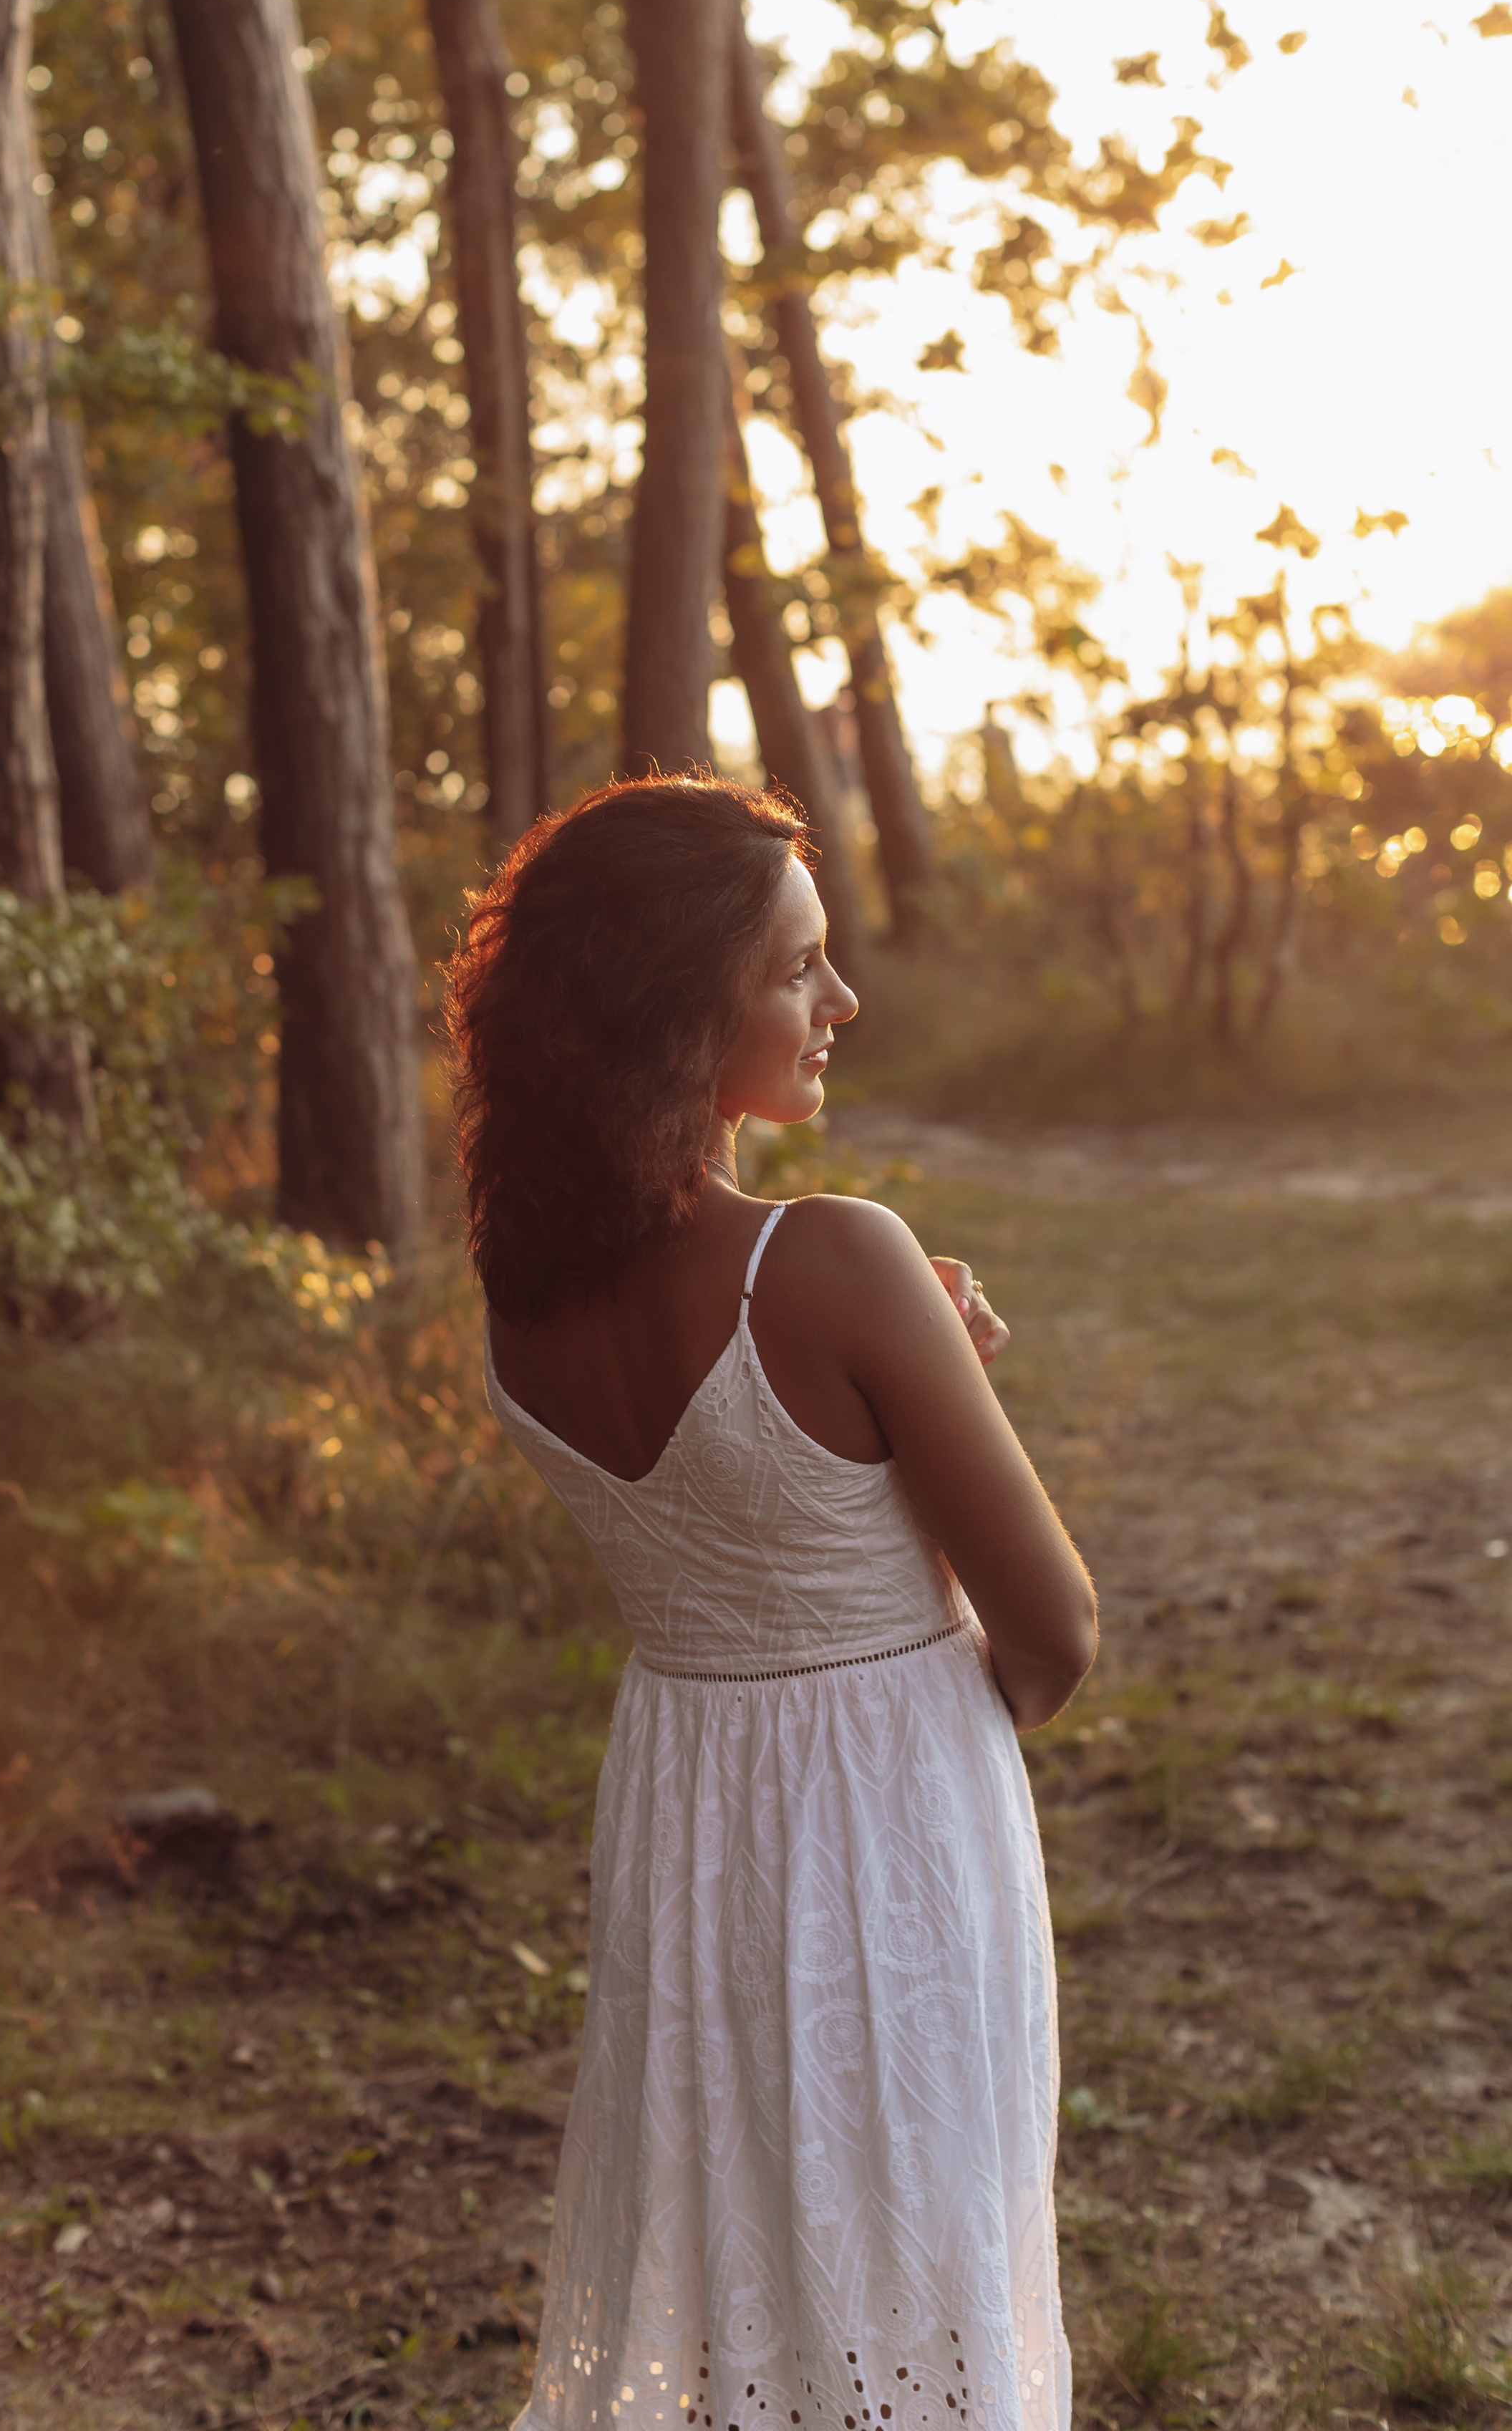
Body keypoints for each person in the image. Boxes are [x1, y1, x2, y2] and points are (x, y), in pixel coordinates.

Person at [448, 774, 1097, 2431]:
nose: (842, 1000)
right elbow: (1052, 1636)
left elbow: (750, 1519)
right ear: (676, 1011)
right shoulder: (835, 1259)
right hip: (885, 1810)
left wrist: (904, 1387)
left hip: (684, 1810)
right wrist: (921, 1409)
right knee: (911, 2233)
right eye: (796, 967)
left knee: (732, 2225)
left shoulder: (519, 1299)